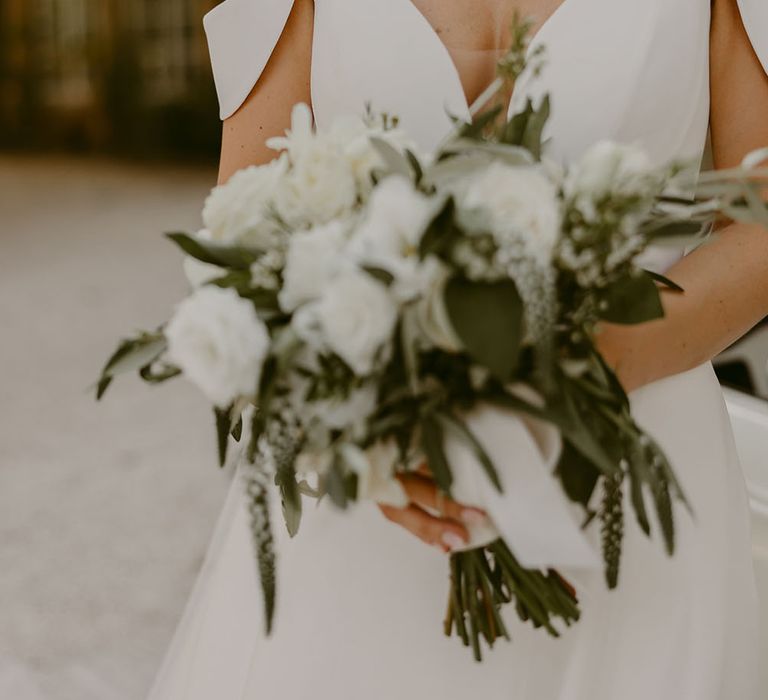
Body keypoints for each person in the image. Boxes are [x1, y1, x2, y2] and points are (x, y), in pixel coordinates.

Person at [147, 1, 768, 697]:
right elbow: (247, 239)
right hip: (376, 505)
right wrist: (366, 435)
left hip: (638, 489)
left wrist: (596, 358)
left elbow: (762, 217)